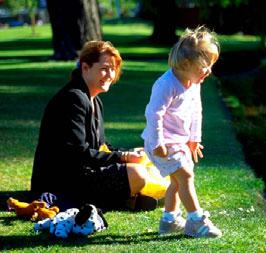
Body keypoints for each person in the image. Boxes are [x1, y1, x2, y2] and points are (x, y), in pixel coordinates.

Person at [31, 40, 148, 210]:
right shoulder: (73, 99)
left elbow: (101, 146)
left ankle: (126, 198)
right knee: (136, 173)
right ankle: (122, 200)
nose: (110, 74)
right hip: (62, 183)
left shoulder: (94, 100)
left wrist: (128, 153)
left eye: (113, 69)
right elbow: (77, 154)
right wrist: (123, 157)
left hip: (82, 172)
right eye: (104, 69)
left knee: (142, 160)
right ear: (85, 68)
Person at [141, 26, 222, 238]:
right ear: (186, 64)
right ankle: (196, 220)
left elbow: (196, 111)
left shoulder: (193, 82)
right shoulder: (166, 84)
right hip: (161, 143)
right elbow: (153, 114)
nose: (209, 71)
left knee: (177, 181)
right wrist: (158, 142)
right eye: (205, 66)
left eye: (211, 65)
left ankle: (169, 220)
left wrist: (194, 138)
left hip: (179, 141)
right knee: (185, 176)